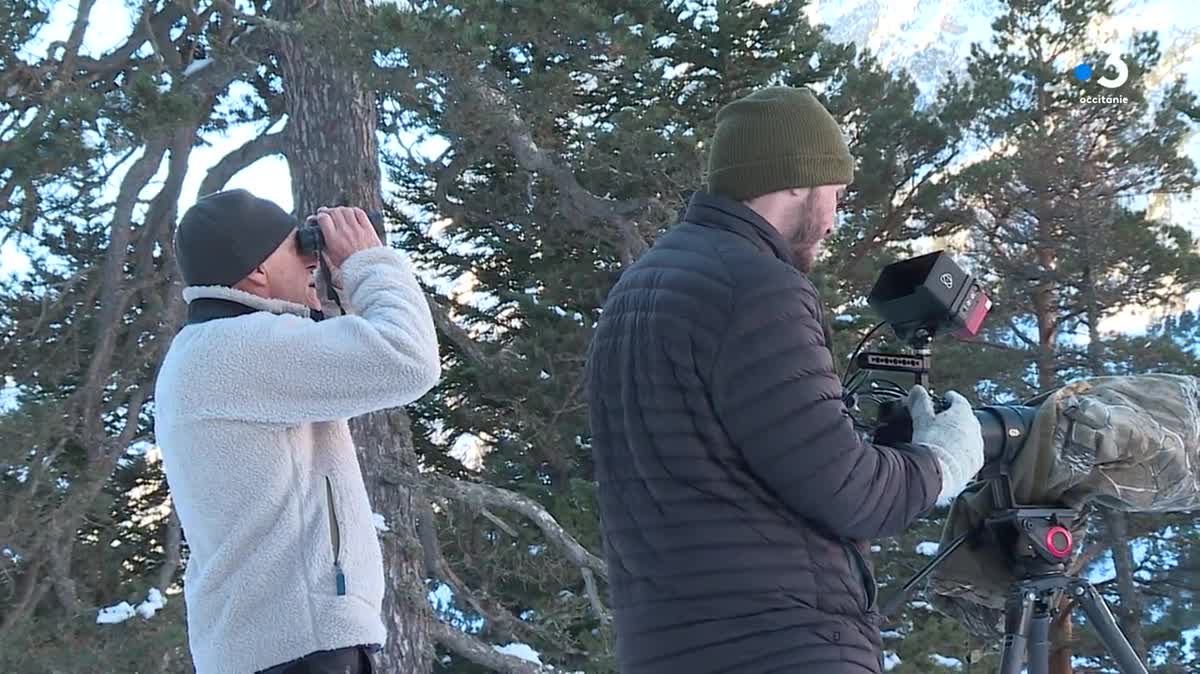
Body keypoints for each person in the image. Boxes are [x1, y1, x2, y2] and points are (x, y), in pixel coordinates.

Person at [584, 86, 985, 673]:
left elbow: (745, 464)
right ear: (796, 179)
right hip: (783, 647)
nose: (834, 220)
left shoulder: (643, 285)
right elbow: (848, 491)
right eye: (836, 194)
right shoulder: (754, 287)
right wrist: (942, 461)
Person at [153, 189, 441, 674]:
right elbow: (408, 359)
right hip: (298, 650)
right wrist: (367, 262)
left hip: (276, 647)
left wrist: (344, 287)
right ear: (256, 271)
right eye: (297, 248)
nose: (314, 258)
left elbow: (358, 356)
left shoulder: (210, 349)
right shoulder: (239, 347)